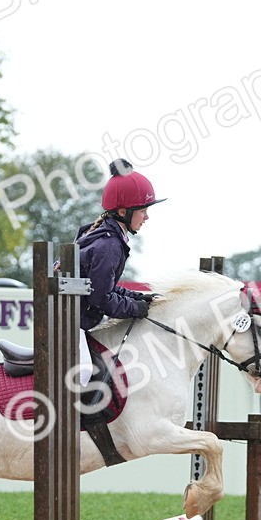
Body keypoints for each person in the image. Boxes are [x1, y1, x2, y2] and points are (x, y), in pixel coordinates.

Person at [73, 158, 165, 385]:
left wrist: (136, 297)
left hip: (75, 320)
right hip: (71, 325)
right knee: (85, 375)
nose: (147, 217)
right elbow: (100, 299)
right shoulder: (109, 245)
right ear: (123, 211)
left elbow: (105, 288)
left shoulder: (110, 238)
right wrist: (134, 308)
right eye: (143, 211)